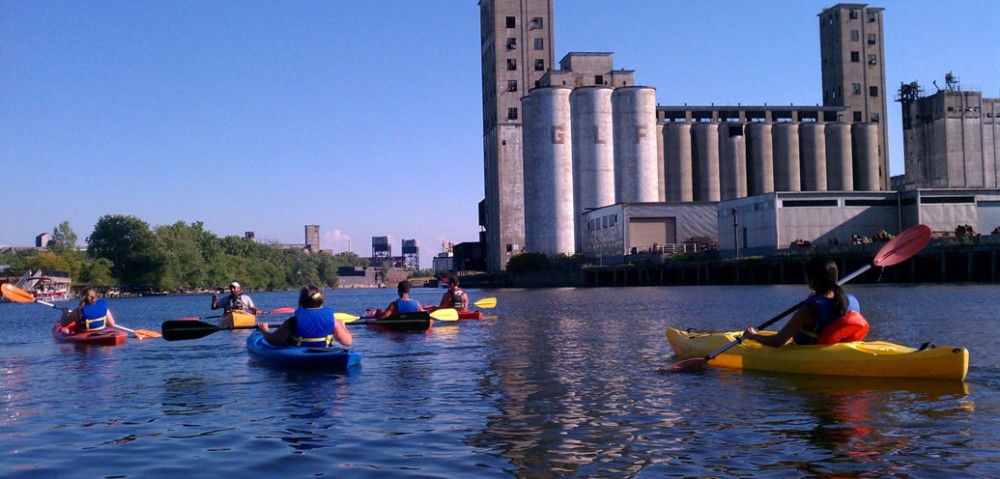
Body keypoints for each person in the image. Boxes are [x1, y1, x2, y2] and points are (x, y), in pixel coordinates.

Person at [742, 255, 865, 347]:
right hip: (838, 350)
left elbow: (777, 342)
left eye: (807, 277)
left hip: (809, 354)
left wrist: (753, 336)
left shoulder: (809, 310)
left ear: (812, 280)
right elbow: (828, 306)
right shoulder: (849, 300)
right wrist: (817, 297)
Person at [259, 285, 351, 347]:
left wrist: (265, 331)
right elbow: (347, 342)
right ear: (320, 300)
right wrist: (342, 326)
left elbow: (272, 340)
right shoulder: (332, 320)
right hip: (324, 352)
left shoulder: (293, 321)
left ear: (301, 301)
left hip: (298, 356)